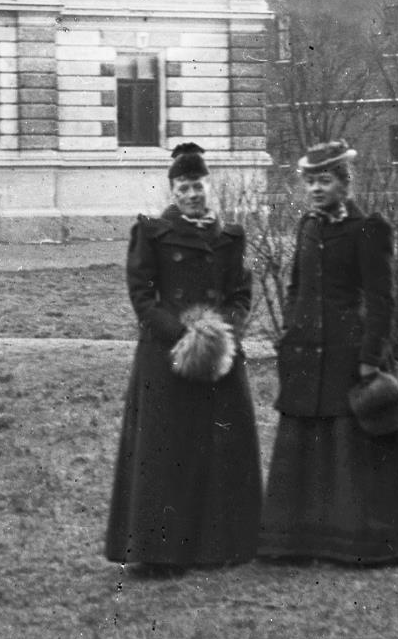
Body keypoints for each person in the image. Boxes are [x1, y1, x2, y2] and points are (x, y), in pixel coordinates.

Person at [258, 140, 398, 564]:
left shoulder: (368, 229)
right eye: (310, 181)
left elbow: (381, 298)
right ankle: (299, 539)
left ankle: (360, 542)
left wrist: (371, 354)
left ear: (344, 184)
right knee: (307, 446)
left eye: (325, 180)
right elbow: (296, 287)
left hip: (349, 354)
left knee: (349, 447)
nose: (315, 189)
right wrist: (291, 332)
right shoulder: (307, 226)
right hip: (305, 354)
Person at [104, 143, 262, 578]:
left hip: (219, 358)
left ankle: (222, 545)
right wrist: (182, 335)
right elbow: (142, 295)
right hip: (166, 356)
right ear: (173, 190)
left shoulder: (229, 236)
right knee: (166, 452)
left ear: (208, 186)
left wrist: (220, 332)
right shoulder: (152, 232)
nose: (193, 193)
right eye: (184, 187)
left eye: (198, 186)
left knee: (219, 449)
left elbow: (240, 293)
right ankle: (161, 551)